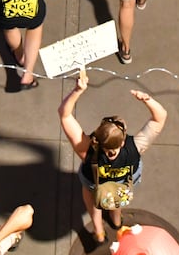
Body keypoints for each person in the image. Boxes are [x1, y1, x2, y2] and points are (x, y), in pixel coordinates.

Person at [59, 70, 167, 244]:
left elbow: (64, 115)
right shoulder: (135, 147)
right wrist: (148, 100)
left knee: (92, 198)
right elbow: (159, 118)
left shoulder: (87, 150)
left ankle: (99, 232)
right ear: (123, 141)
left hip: (95, 182)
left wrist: (77, 91)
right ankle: (116, 222)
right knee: (116, 198)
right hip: (123, 183)